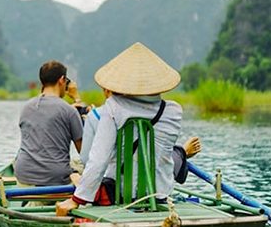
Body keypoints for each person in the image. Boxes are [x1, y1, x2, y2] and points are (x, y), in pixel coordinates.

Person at [57, 43, 187, 216]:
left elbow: (98, 159)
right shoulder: (174, 111)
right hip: (161, 195)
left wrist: (77, 199)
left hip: (121, 196)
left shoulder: (113, 107)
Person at [79, 87, 202, 180]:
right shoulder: (170, 111)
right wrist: (182, 153)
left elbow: (86, 159)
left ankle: (182, 152)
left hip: (112, 187)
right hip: (156, 189)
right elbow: (160, 158)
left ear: (106, 91)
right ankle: (183, 152)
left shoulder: (95, 115)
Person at [13, 60, 84, 186]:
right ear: (62, 80)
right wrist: (77, 98)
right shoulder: (69, 111)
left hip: (23, 176)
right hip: (56, 179)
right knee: (81, 167)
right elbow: (83, 152)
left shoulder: (26, 107)